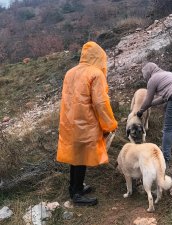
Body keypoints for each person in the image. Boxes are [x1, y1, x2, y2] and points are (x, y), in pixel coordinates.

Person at [57, 41, 118, 206]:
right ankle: (77, 194)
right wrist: (110, 124)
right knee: (81, 157)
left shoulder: (70, 72)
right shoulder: (96, 74)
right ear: (99, 57)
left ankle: (74, 188)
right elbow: (100, 103)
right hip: (85, 122)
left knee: (75, 157)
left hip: (69, 122)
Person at [136, 62, 172, 167]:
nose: (145, 78)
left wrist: (140, 111)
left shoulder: (153, 79)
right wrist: (150, 105)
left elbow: (148, 100)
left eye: (145, 76)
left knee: (168, 129)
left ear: (148, 73)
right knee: (167, 108)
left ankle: (165, 160)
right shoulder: (166, 74)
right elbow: (164, 98)